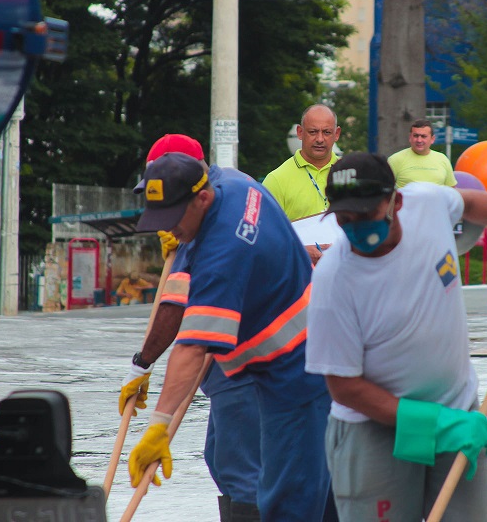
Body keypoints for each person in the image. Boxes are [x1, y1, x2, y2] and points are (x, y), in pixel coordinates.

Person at [305, 152, 487, 521]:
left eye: (365, 215)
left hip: (456, 415)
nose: (354, 227)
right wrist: (435, 425)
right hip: (375, 431)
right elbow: (343, 385)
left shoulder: (426, 203)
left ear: (395, 202)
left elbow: (472, 203)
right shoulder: (335, 278)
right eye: (344, 218)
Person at [127, 153, 334, 522]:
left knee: (288, 499)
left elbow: (192, 346)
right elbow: (177, 294)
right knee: (312, 485)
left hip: (296, 375)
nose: (170, 229)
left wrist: (158, 425)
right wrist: (141, 365)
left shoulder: (226, 249)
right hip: (309, 356)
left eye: (173, 219)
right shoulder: (232, 185)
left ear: (201, 198)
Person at [120, 134, 262, 522]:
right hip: (240, 361)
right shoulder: (229, 188)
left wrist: (157, 418)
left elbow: (182, 321)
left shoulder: (218, 231)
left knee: (242, 469)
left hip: (253, 361)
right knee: (220, 457)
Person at [263, 104, 340, 264]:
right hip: (299, 277)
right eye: (313, 132)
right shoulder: (276, 180)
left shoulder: (350, 174)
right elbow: (263, 237)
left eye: (326, 132)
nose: (320, 139)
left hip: (344, 275)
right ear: (300, 132)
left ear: (336, 134)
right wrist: (300, 250)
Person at [387, 119, 457, 188]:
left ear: (432, 139)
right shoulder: (395, 160)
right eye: (416, 136)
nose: (419, 140)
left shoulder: (443, 159)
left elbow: (451, 191)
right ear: (410, 137)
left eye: (423, 136)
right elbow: (383, 190)